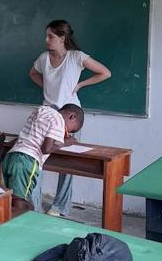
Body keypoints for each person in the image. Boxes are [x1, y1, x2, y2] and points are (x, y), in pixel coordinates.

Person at [29, 19, 111, 215]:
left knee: (68, 163)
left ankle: (60, 207)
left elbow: (105, 72)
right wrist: (47, 87)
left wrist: (81, 85)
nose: (46, 39)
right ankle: (34, 206)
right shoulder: (43, 58)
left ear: (62, 38)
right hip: (47, 115)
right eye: (47, 35)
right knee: (36, 157)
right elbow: (32, 73)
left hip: (70, 118)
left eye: (51, 36)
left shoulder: (77, 57)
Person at [2, 104, 84, 210]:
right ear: (72, 117)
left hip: (11, 157)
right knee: (19, 201)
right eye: (70, 130)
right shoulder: (59, 120)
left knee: (14, 198)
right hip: (27, 161)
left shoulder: (41, 110)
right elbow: (46, 149)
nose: (66, 132)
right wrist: (64, 142)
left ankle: (22, 216)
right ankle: (21, 222)